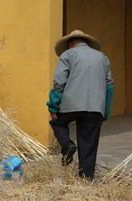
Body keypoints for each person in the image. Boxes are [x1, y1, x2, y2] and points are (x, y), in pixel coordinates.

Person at [47, 30, 114, 179]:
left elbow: (59, 81)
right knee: (88, 141)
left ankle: (67, 145)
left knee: (58, 123)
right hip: (96, 107)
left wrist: (53, 106)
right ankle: (86, 179)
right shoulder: (103, 58)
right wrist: (105, 113)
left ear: (71, 43)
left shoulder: (68, 55)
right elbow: (109, 86)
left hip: (71, 104)